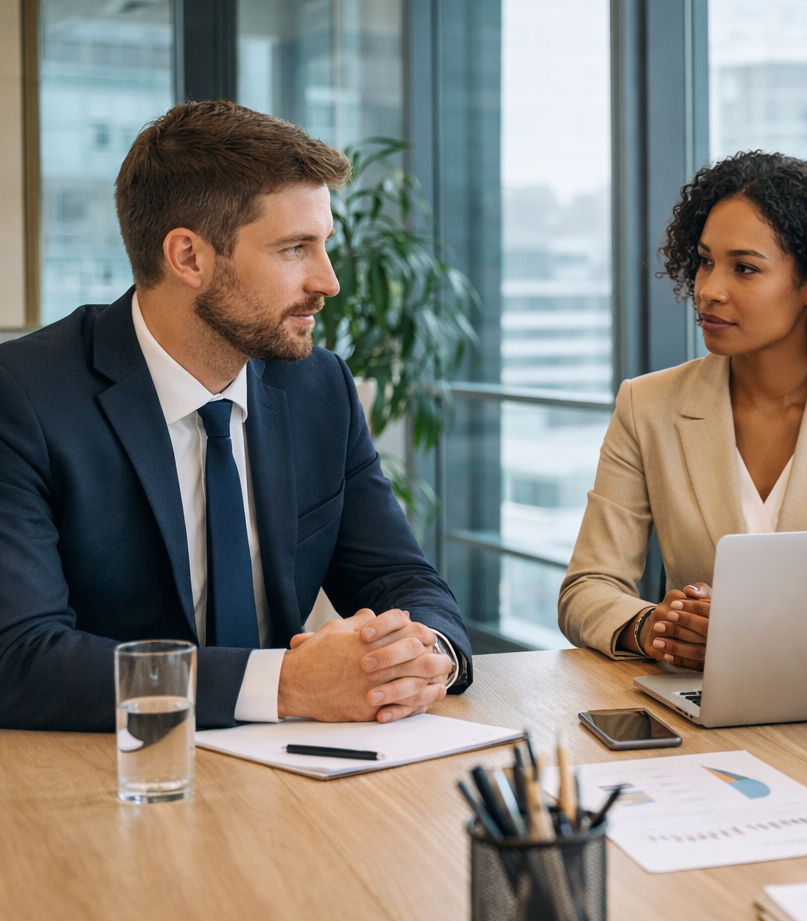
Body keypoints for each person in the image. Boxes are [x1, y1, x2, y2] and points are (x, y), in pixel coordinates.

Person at [0, 101, 472, 732]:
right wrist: (285, 685)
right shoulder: (24, 397)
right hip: (109, 779)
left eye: (323, 245)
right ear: (188, 257)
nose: (328, 281)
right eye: (295, 249)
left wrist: (424, 657)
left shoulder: (318, 386)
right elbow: (21, 660)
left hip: (292, 776)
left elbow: (398, 578)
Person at [559, 152, 807, 667]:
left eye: (744, 268)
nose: (708, 290)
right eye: (704, 261)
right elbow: (587, 587)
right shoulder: (647, 405)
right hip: (697, 699)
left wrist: (765, 630)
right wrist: (656, 628)